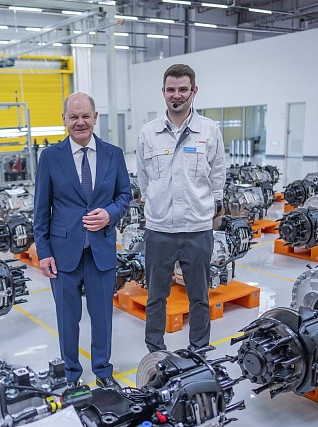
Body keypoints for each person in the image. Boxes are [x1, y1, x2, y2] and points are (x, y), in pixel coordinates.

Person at [33, 92, 131, 389]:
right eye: (73, 117)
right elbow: (41, 208)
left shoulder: (114, 154)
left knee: (102, 316)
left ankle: (103, 371)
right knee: (67, 317)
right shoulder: (50, 157)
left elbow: (124, 196)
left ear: (95, 117)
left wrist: (110, 214)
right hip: (63, 253)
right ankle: (72, 375)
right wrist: (44, 251)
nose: (80, 122)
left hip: (100, 248)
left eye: (85, 116)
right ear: (64, 120)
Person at [136, 64, 226, 353]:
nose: (177, 95)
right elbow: (143, 179)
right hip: (159, 230)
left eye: (183, 89)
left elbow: (217, 175)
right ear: (163, 92)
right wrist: (156, 204)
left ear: (194, 91)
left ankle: (199, 349)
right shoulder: (148, 133)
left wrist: (213, 208)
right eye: (171, 89)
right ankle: (155, 350)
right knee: (155, 297)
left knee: (199, 296)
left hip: (197, 230)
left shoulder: (209, 130)